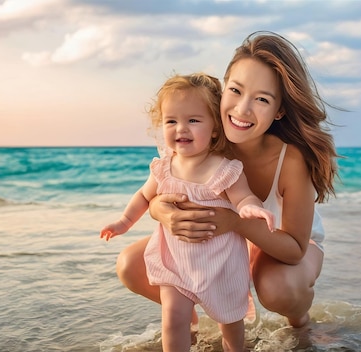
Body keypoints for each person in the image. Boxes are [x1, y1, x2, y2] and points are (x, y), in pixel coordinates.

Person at [115, 31, 339, 336]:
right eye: (236, 90)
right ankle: (185, 319)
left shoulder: (290, 161)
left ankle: (301, 324)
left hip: (281, 244)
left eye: (262, 99)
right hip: (217, 239)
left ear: (280, 110)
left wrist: (236, 223)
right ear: (223, 91)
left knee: (279, 289)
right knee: (130, 264)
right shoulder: (197, 135)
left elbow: (295, 249)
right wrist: (160, 211)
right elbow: (157, 189)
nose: (242, 109)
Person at [100, 72, 275, 352]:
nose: (181, 128)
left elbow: (243, 197)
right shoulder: (164, 166)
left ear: (215, 128)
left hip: (221, 265)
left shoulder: (224, 168)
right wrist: (124, 221)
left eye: (193, 120)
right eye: (171, 121)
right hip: (175, 262)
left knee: (230, 323)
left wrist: (251, 208)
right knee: (173, 318)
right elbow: (144, 197)